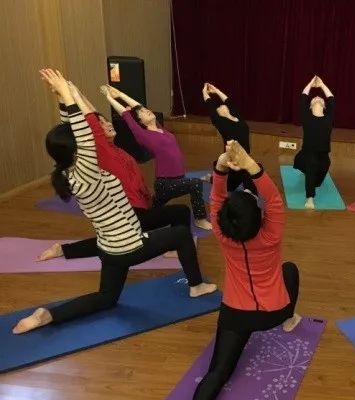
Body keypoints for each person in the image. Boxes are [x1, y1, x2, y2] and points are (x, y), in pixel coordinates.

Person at [12, 69, 217, 335]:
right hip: (129, 246)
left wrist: (64, 98)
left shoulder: (70, 172)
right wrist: (68, 96)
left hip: (109, 247)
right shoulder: (88, 173)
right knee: (180, 234)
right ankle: (197, 286)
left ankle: (48, 315)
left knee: (106, 298)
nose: (89, 136)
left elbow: (73, 130)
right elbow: (83, 133)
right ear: (78, 149)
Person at [181, 140, 301, 400]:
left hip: (236, 315)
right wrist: (250, 166)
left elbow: (217, 197)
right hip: (274, 313)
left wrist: (221, 167)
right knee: (290, 270)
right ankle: (291, 318)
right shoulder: (271, 234)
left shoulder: (222, 234)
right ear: (260, 218)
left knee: (218, 371)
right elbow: (273, 198)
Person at [38, 87, 192, 262]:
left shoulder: (116, 149)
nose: (108, 124)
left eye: (106, 121)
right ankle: (176, 248)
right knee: (179, 212)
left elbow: (95, 115)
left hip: (141, 205)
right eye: (102, 124)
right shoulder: (100, 150)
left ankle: (63, 250)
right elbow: (89, 119)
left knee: (120, 239)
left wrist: (78, 94)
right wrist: (71, 96)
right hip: (130, 210)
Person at [101, 85, 212, 231]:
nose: (147, 110)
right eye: (143, 113)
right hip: (166, 183)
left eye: (146, 109)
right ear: (140, 122)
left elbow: (138, 106)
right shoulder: (143, 135)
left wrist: (120, 94)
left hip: (176, 179)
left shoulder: (160, 128)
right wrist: (108, 97)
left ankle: (145, 214)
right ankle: (200, 219)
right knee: (195, 183)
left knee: (152, 208)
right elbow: (126, 114)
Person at [202, 83, 256, 194]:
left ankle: (248, 190)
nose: (221, 105)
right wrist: (204, 92)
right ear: (219, 114)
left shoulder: (237, 117)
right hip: (233, 162)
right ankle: (212, 178)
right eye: (218, 107)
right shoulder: (221, 122)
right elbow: (209, 105)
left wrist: (216, 90)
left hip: (245, 159)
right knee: (230, 187)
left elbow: (228, 100)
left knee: (249, 175)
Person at [294, 75, 335, 209]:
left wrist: (322, 85)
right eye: (314, 99)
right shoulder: (306, 117)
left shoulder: (329, 118)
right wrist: (311, 83)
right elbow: (303, 97)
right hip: (307, 154)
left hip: (323, 157)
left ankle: (310, 176)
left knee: (317, 182)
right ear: (310, 107)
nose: (317, 97)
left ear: (324, 106)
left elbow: (331, 98)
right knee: (310, 165)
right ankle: (310, 198)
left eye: (320, 99)